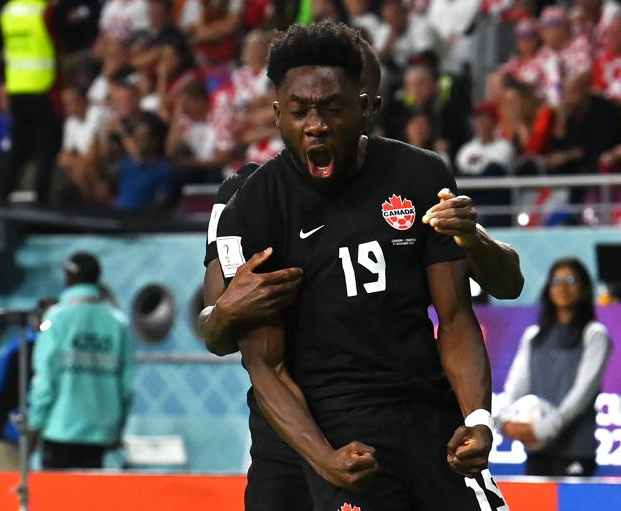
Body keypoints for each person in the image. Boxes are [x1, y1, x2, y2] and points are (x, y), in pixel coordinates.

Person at [206, 21, 520, 510]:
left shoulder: (420, 175)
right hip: (332, 423)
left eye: (332, 108)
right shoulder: (250, 205)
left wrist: (477, 420)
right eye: (300, 111)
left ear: (366, 105)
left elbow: (458, 316)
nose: (316, 124)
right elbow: (262, 364)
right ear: (277, 114)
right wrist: (324, 458)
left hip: (429, 415)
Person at [496, 257, 612, 477]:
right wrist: (505, 421)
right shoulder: (533, 336)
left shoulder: (594, 335)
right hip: (537, 449)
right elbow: (515, 386)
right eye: (556, 280)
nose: (563, 287)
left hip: (576, 448)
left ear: (584, 288)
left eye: (571, 280)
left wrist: (546, 427)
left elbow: (583, 392)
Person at [28, 252, 134, 469]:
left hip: (60, 428)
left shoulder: (56, 318)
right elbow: (127, 384)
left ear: (69, 276)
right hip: (101, 431)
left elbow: (45, 380)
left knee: (56, 500)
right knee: (89, 500)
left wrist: (34, 425)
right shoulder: (118, 322)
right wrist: (117, 427)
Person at [0, 299, 55, 470]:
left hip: (0, 428)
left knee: (21, 483)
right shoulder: (32, 347)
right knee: (15, 486)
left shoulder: (28, 344)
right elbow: (33, 393)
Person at [0, 0, 62, 204]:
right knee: (47, 145)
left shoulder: (8, 10)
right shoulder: (44, 10)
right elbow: (59, 40)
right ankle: (40, 199)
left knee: (19, 145)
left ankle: (3, 194)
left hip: (16, 84)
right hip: (42, 84)